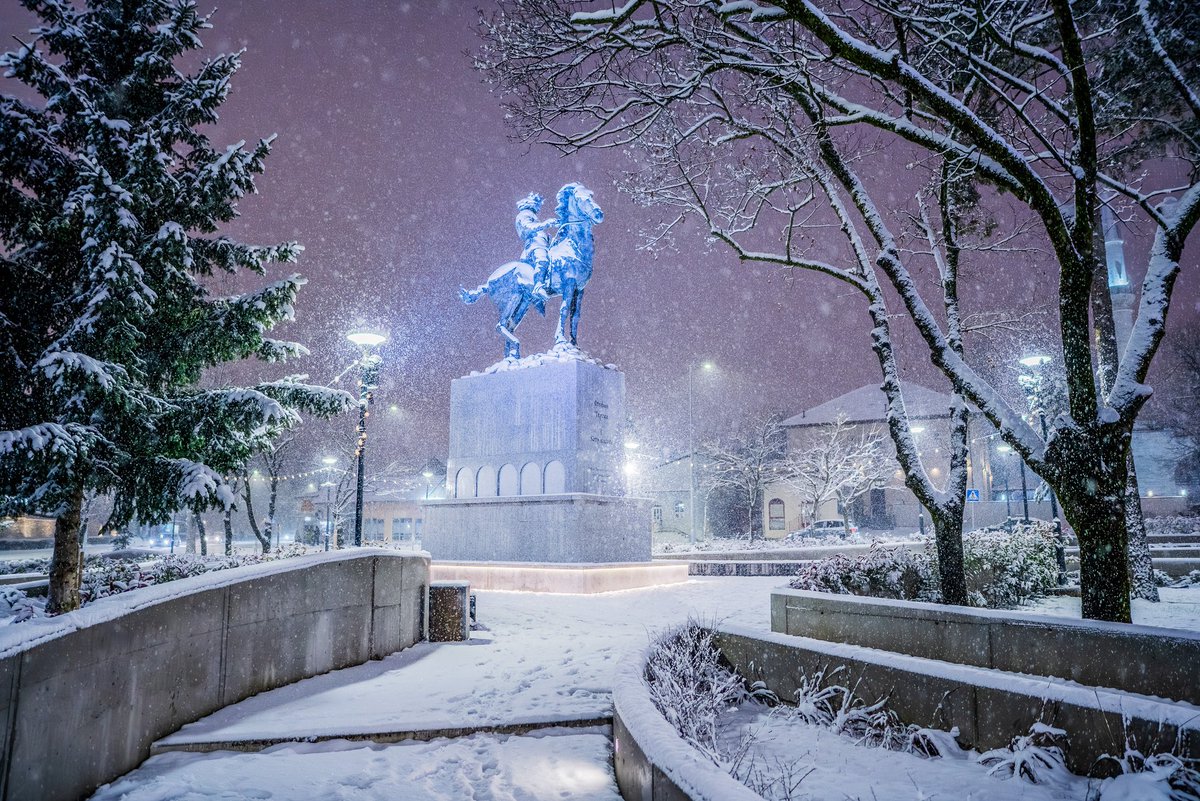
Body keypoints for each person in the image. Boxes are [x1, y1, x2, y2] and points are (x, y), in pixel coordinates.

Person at [515, 192, 555, 300]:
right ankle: (538, 286)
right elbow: (528, 227)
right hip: (535, 245)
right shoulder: (525, 214)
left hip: (542, 244)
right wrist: (546, 224)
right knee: (543, 260)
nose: (538, 207)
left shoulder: (531, 215)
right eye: (537, 204)